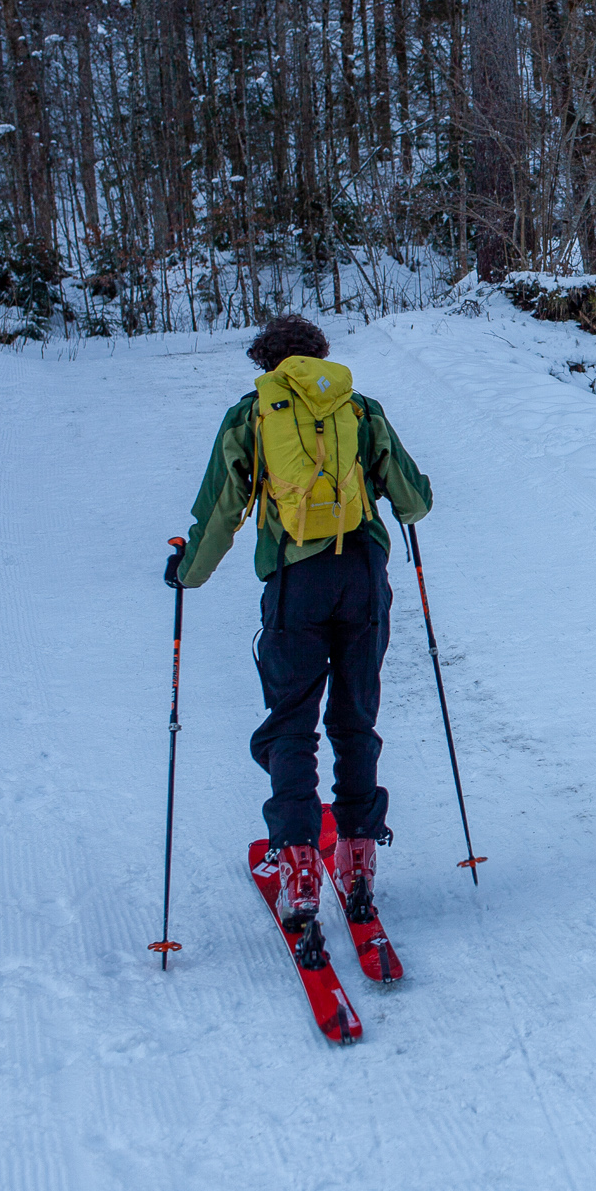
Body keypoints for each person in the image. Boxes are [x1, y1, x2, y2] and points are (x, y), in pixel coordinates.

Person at [166, 315, 432, 936]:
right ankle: (360, 860)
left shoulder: (253, 414)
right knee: (354, 717)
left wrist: (188, 574)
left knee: (291, 723)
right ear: (319, 356)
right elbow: (414, 500)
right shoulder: (359, 409)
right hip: (364, 574)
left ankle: (300, 866)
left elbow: (221, 507)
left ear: (267, 362)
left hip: (295, 582)